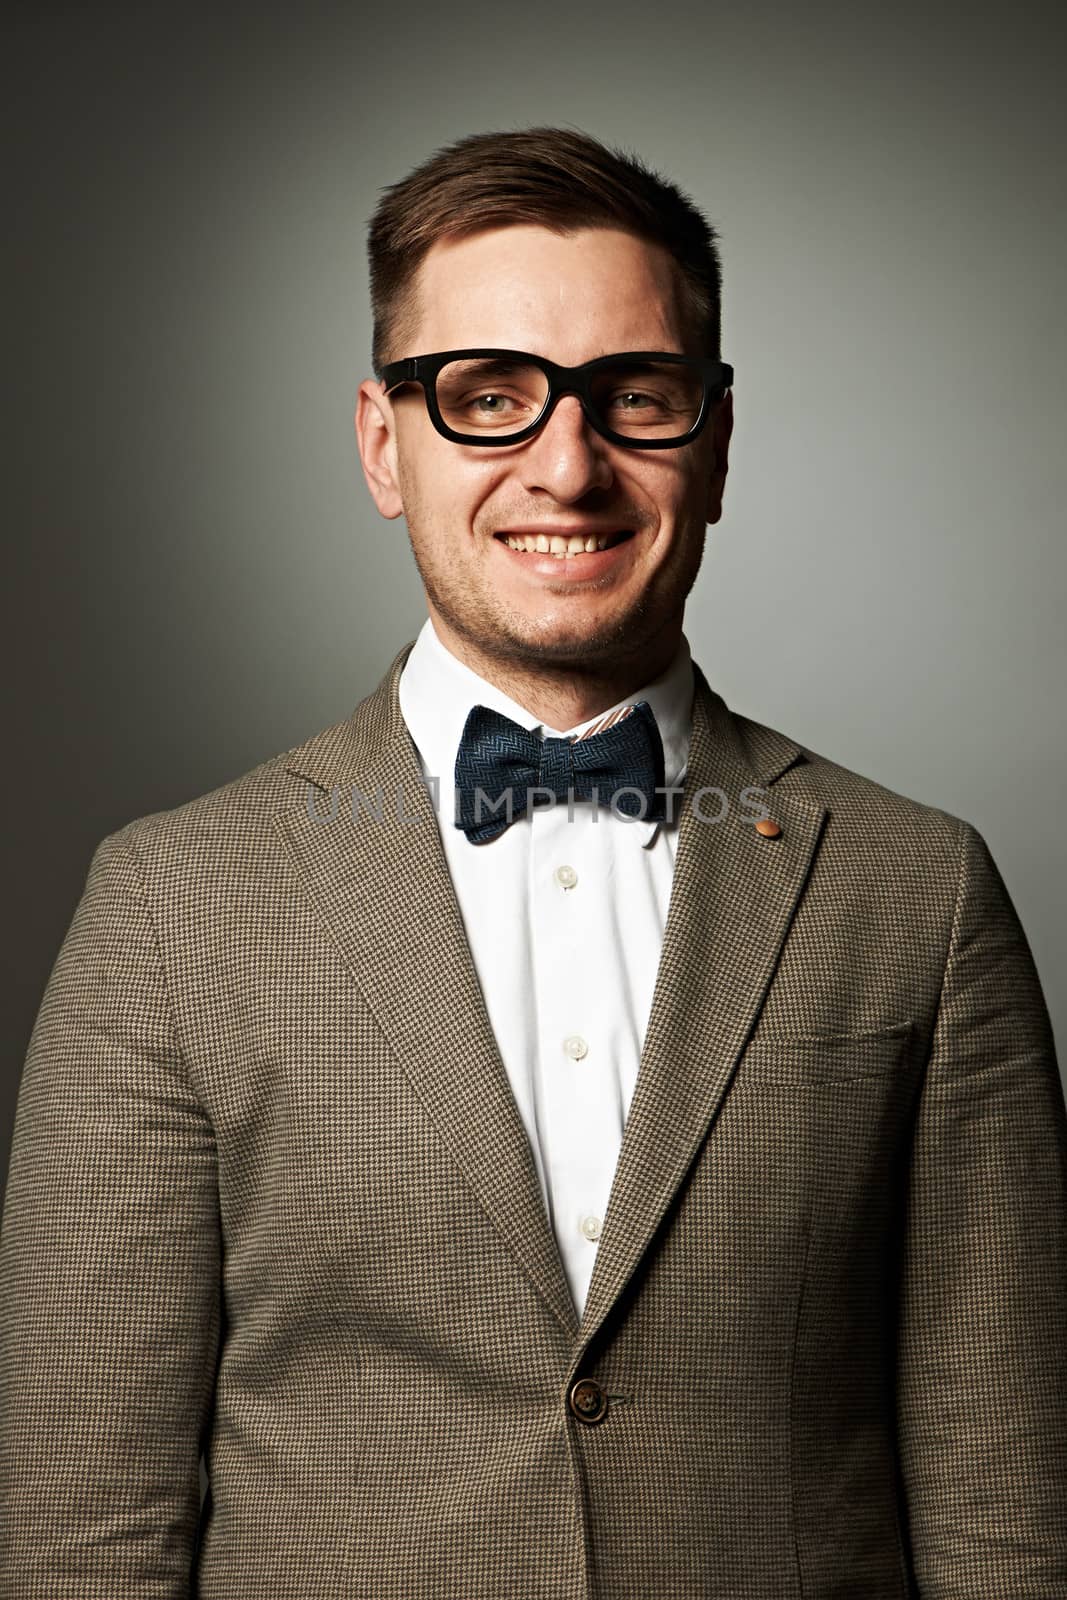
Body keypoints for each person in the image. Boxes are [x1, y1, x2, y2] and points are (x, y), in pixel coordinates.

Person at [1, 125, 1064, 1600]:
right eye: (487, 398)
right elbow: (79, 1540)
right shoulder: (171, 906)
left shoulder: (920, 892)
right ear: (385, 442)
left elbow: (1009, 1514)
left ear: (719, 442)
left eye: (635, 397)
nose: (566, 467)